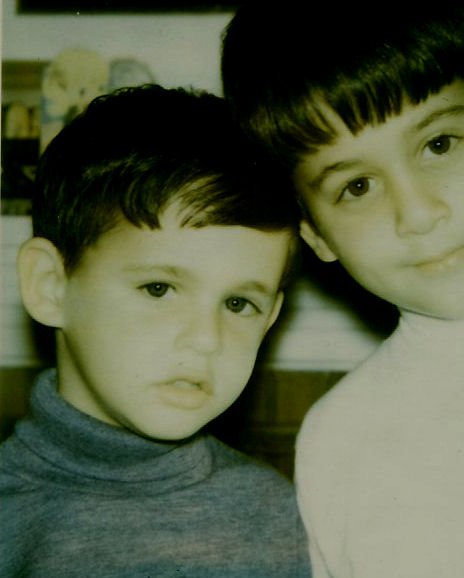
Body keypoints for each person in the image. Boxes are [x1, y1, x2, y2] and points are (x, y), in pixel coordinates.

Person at [221, 1, 464, 575]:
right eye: (357, 186)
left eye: (439, 145)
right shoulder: (339, 439)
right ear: (314, 233)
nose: (418, 214)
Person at [0, 84, 310, 578]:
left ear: (271, 316)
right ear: (50, 286)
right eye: (159, 289)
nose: (206, 339)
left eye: (238, 304)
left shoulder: (276, 515)